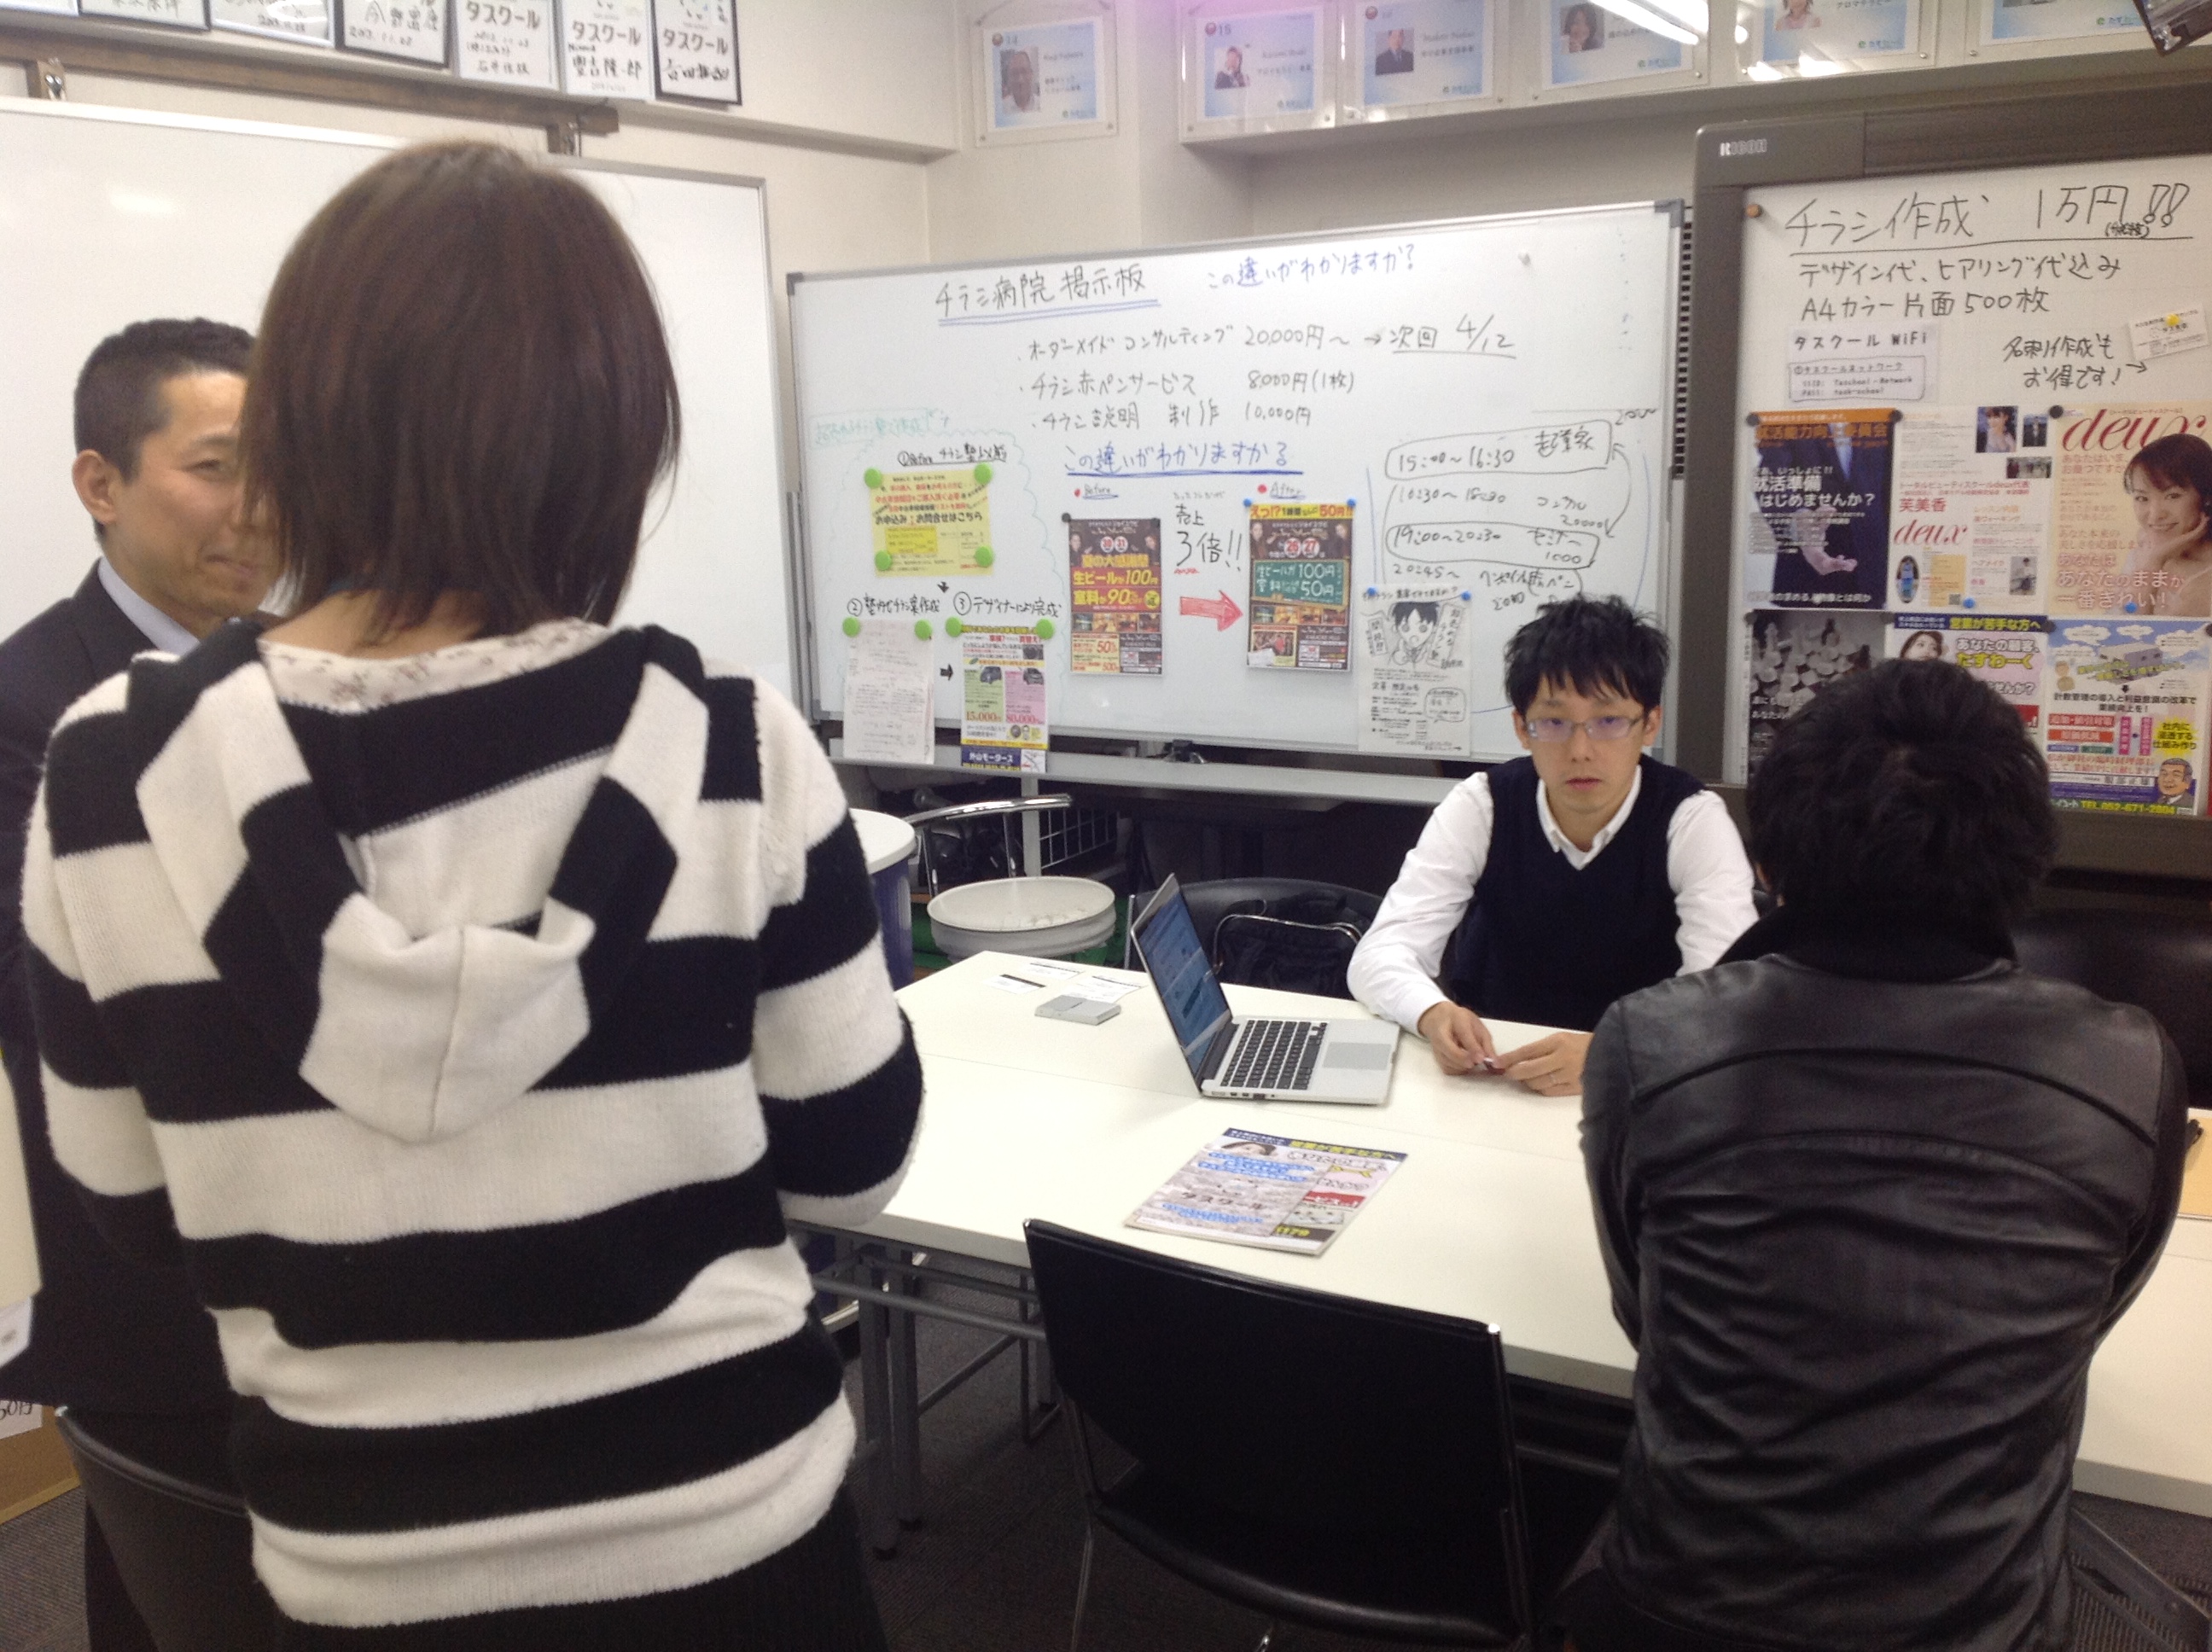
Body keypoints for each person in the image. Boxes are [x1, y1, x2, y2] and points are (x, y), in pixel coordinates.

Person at [26, 143, 922, 1649]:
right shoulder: (732, 742)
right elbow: (852, 1163)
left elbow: (126, 1209)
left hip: (359, 1561)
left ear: (302, 420)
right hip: (729, 1535)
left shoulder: (108, 770)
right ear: (612, 436)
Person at [1563, 660, 2187, 1652]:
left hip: (1680, 1613)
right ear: (2024, 852)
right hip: (1978, 1628)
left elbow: (1650, 1312)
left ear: (1771, 858)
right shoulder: (2127, 1064)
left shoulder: (1653, 1040)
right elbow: (2083, 1321)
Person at [0, 317, 273, 1650]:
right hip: (150, 1264)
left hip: (321, 1250)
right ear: (99, 483)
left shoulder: (304, 661)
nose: (260, 508)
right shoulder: (27, 701)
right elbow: (48, 988)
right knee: (172, 1598)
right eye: (218, 467)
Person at [1348, 596, 1755, 1096]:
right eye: (1554, 723)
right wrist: (1430, 1012)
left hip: (1642, 1089)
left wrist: (1614, 1056)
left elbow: (1727, 996)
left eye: (1609, 721)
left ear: (1650, 724)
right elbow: (1382, 953)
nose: (1581, 750)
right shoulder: (1483, 805)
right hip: (1496, 1078)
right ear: (1522, 728)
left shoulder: (1691, 819)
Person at [2123, 431, 2212, 616]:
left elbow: (2133, 629)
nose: (2155, 515)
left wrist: (2153, 562)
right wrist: (2155, 560)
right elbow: (2126, 617)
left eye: (2172, 496)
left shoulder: (2204, 581)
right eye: (2142, 498)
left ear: (2206, 497)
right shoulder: (2146, 550)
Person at [999, 47, 1038, 114]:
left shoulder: (1040, 103)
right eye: (1014, 73)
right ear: (1009, 78)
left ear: (1031, 74)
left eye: (1024, 72)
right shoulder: (1002, 107)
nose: (1020, 80)